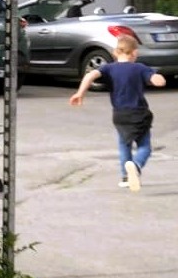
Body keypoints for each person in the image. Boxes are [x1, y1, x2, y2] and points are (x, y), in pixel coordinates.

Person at [69, 34, 166, 190]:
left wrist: (80, 93)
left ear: (115, 52)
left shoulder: (108, 68)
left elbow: (90, 75)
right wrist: (158, 77)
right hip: (139, 114)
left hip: (120, 114)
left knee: (124, 145)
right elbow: (158, 81)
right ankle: (136, 165)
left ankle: (126, 177)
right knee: (144, 147)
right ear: (134, 53)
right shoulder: (140, 68)